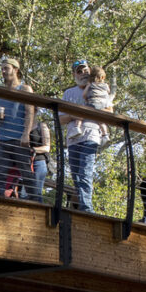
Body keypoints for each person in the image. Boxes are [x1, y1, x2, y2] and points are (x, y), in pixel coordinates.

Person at [61, 59, 114, 212]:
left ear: (90, 71)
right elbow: (61, 118)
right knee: (76, 175)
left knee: (85, 171)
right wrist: (77, 114)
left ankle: (87, 208)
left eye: (85, 70)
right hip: (72, 138)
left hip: (91, 134)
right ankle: (83, 206)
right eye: (79, 71)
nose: (83, 73)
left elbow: (109, 112)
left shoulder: (100, 88)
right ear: (74, 74)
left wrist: (86, 111)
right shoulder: (68, 93)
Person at [0, 58, 36, 198]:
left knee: (26, 173)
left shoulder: (25, 89)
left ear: (15, 70)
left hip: (19, 138)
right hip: (3, 139)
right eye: (2, 69)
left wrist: (26, 134)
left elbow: (30, 112)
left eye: (6, 68)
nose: (3, 71)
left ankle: (36, 201)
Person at [28, 115, 52, 203]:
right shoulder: (22, 126)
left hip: (39, 161)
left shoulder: (42, 126)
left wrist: (33, 150)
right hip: (25, 162)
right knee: (24, 193)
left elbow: (47, 147)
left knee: (36, 193)